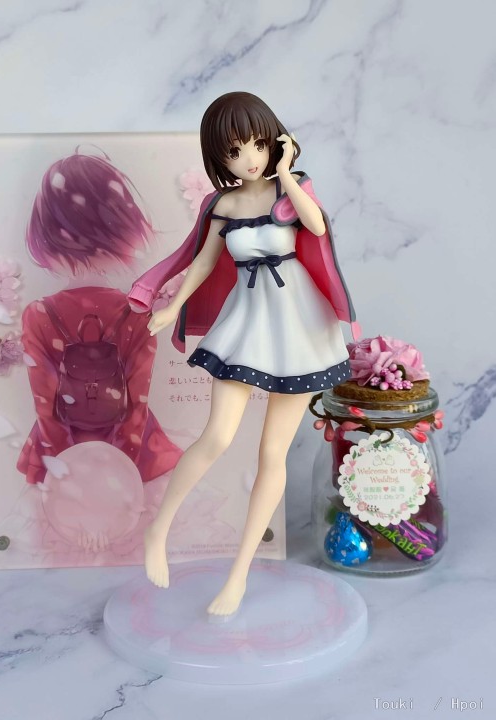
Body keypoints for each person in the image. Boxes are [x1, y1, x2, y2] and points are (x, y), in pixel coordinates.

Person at [128, 92, 360, 616]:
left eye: (257, 144)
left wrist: (286, 173)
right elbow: (201, 263)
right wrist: (171, 307)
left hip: (300, 327)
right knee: (216, 436)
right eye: (234, 152)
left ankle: (238, 577)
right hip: (247, 323)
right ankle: (158, 529)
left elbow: (317, 227)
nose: (249, 158)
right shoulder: (224, 205)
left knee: (272, 455)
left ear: (275, 140)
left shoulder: (292, 190)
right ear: (219, 158)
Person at [17, 149, 182, 488]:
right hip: (135, 455)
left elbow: (46, 409)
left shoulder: (38, 315)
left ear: (44, 235)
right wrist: (119, 467)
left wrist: (66, 471)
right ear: (123, 230)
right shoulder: (137, 311)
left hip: (59, 454)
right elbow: (136, 404)